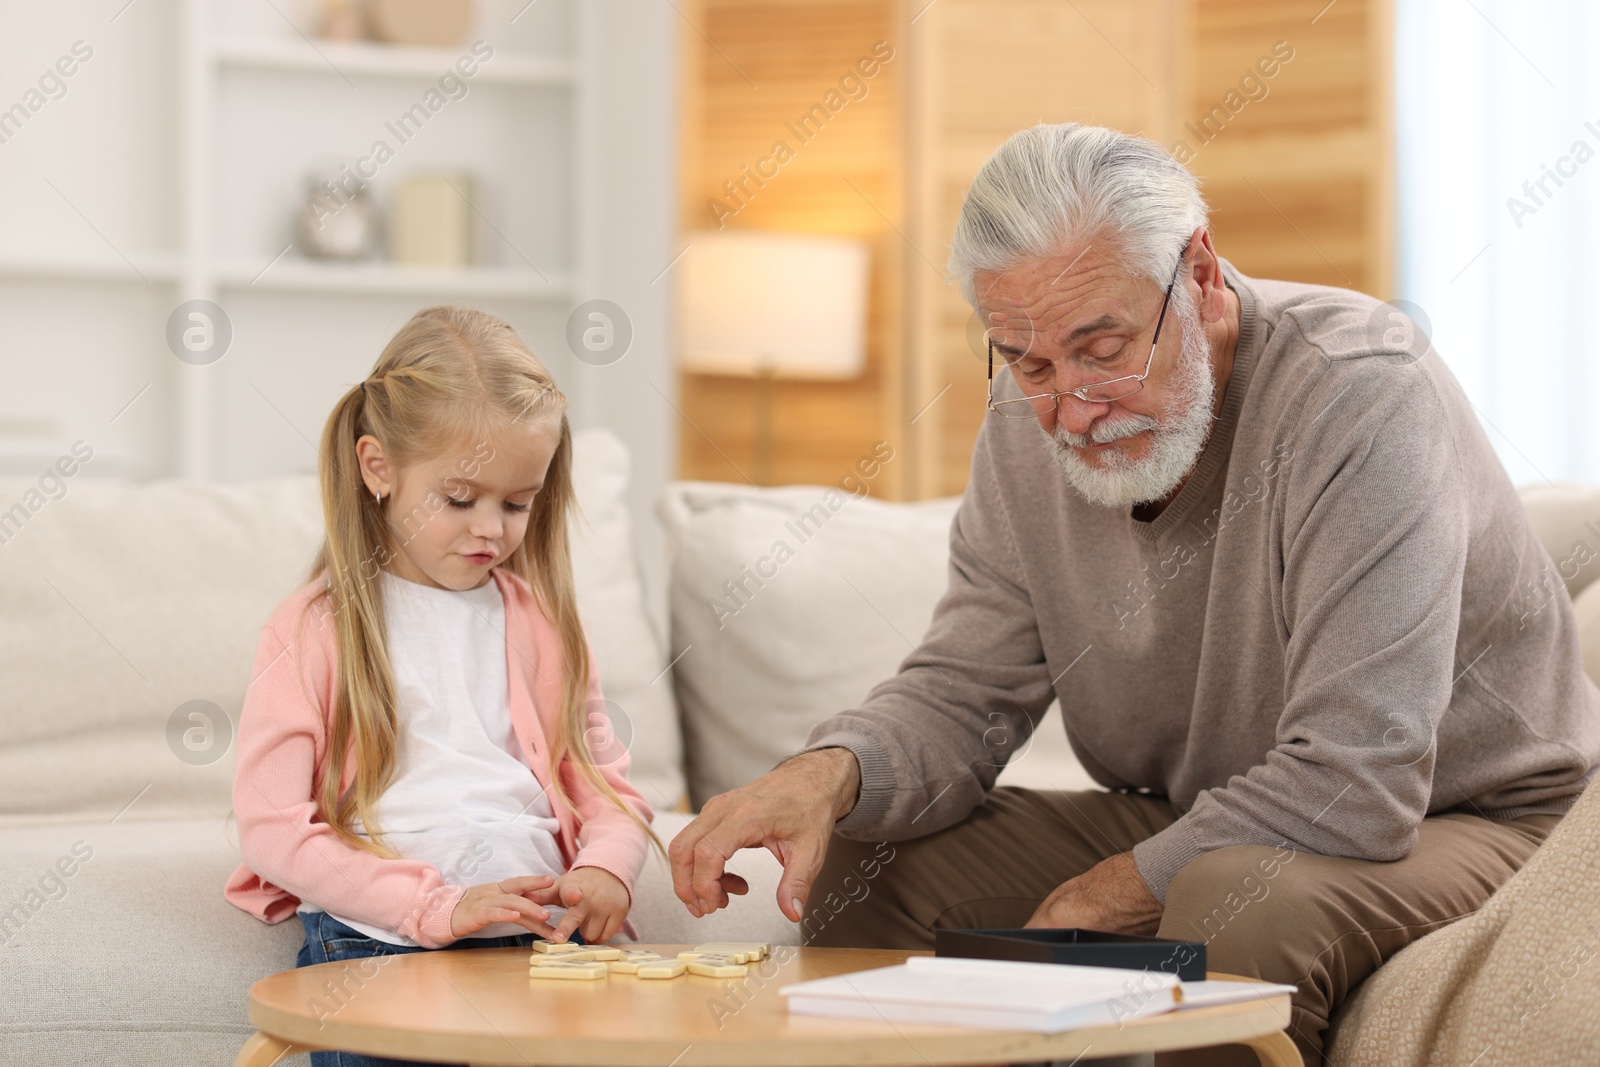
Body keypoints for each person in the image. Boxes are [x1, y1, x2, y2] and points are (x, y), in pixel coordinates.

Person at [667, 124, 1600, 1066]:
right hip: (1220, 813)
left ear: (1198, 275)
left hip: (1476, 820)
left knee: (1238, 903)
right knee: (872, 857)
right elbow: (964, 688)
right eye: (1029, 363)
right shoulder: (1026, 423)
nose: (1072, 408)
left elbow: (1360, 774)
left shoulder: (1361, 393)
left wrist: (1098, 894)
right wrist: (823, 777)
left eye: (1101, 347)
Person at [225, 306, 658, 1067]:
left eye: (517, 502)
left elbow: (606, 790)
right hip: (378, 938)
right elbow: (270, 826)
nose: (490, 528)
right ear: (378, 467)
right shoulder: (312, 627)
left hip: (538, 938)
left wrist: (603, 867)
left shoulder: (543, 623)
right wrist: (436, 907)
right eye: (460, 498)